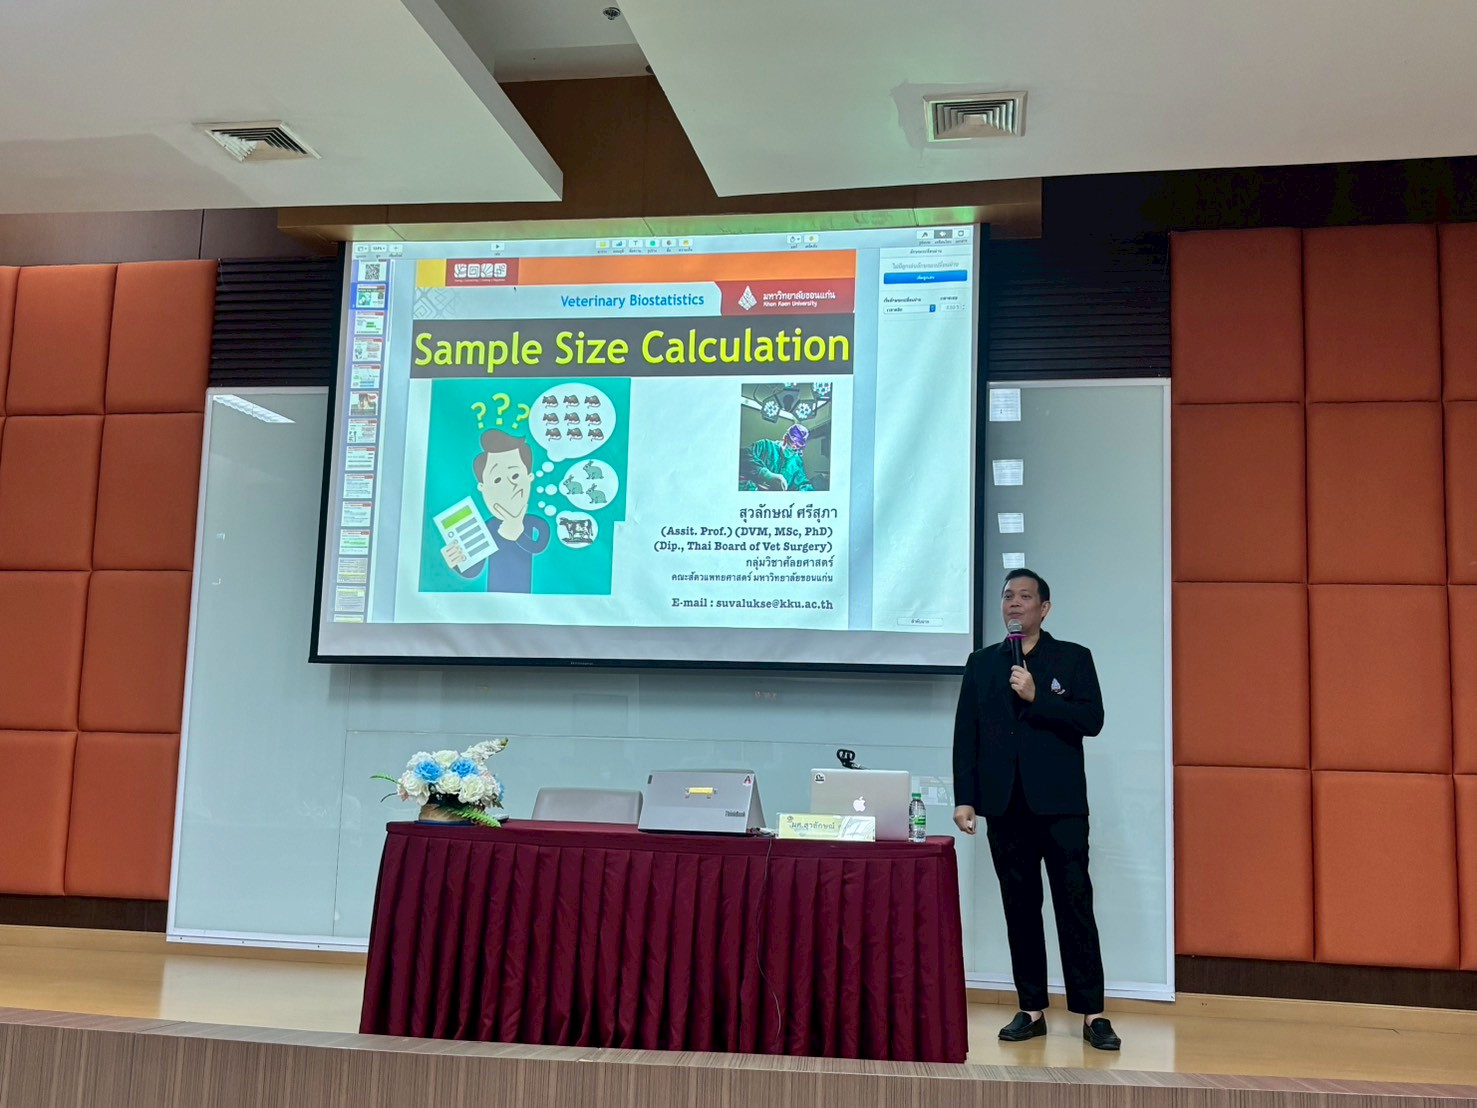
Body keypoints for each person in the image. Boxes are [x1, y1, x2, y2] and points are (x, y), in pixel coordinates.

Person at [951, 569, 1120, 1051]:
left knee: (1075, 907)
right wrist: (965, 797)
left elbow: (1092, 719)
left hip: (1061, 808)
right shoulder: (981, 663)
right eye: (1008, 596)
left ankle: (1093, 1013)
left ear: (1044, 609)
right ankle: (1031, 1009)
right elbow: (967, 733)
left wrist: (1037, 696)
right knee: (1020, 910)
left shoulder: (1073, 657)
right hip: (1006, 807)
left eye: (1025, 597)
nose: (1014, 603)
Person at [441, 430, 550, 592]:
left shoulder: (536, 523)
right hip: (494, 601)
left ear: (529, 478)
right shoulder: (488, 527)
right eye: (497, 480)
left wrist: (518, 535)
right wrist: (456, 561)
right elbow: (474, 570)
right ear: (483, 488)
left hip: (532, 601)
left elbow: (539, 546)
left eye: (515, 476)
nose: (509, 486)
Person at [740, 423, 814, 491]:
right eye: (794, 446)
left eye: (798, 448)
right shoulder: (765, 445)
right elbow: (742, 456)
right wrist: (767, 475)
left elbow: (801, 482)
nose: (795, 450)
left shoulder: (796, 461)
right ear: (785, 438)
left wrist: (806, 491)